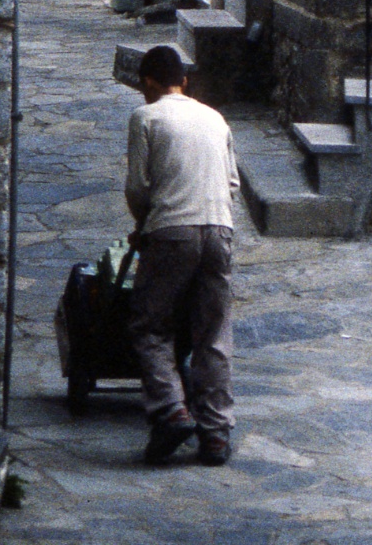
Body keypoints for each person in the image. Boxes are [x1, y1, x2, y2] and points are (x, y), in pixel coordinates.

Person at [125, 44, 239, 466]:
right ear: (184, 82)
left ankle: (171, 408)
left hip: (172, 229)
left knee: (150, 326)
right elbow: (231, 184)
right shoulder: (215, 118)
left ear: (148, 83)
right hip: (220, 228)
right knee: (213, 334)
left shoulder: (146, 117)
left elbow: (138, 187)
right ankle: (215, 434)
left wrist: (144, 226)